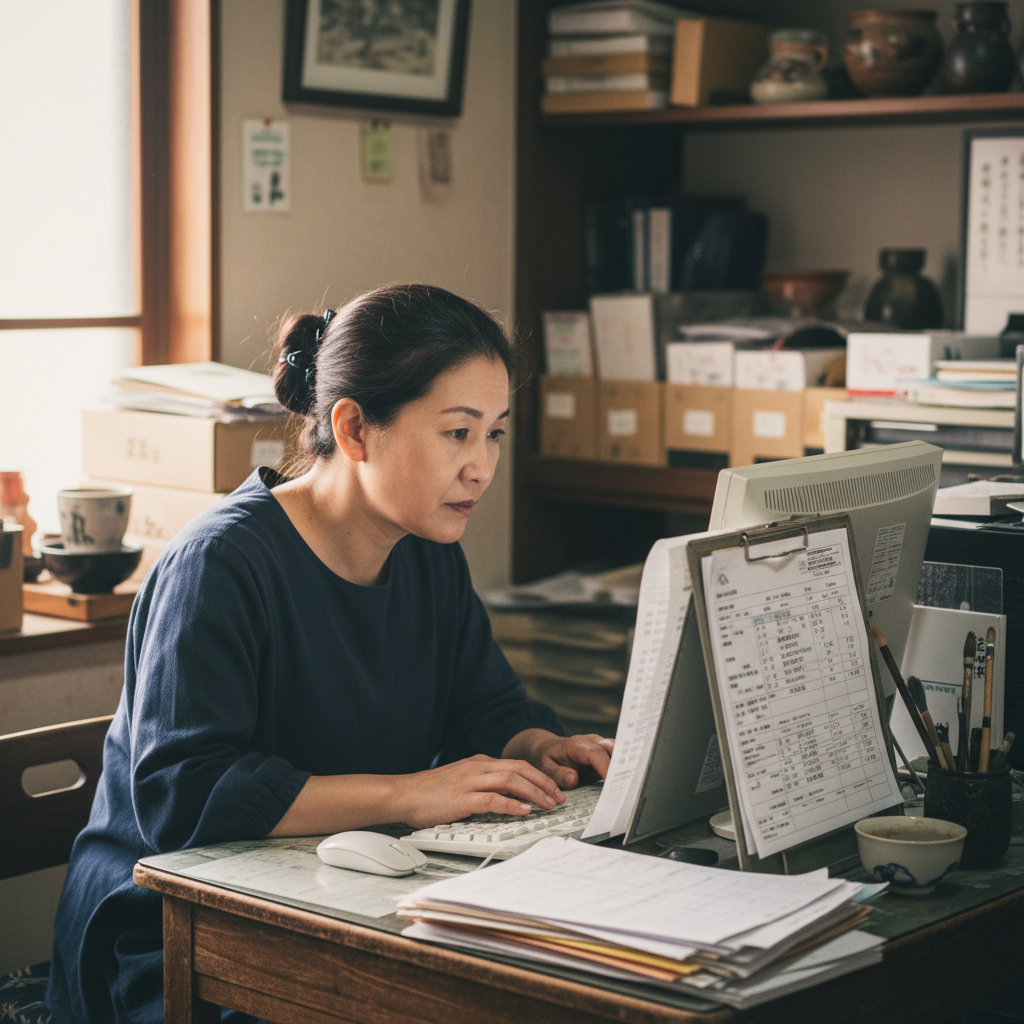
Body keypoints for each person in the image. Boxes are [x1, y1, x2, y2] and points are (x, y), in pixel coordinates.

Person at [47, 283, 614, 1023]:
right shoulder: (220, 564)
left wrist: (541, 746)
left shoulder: (426, 550)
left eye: (495, 434)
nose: (481, 467)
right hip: (172, 938)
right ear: (354, 429)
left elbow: (483, 705)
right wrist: (413, 793)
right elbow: (185, 797)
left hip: (328, 900)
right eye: (456, 433)